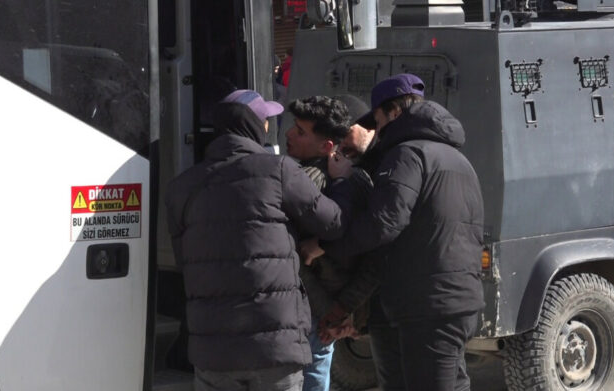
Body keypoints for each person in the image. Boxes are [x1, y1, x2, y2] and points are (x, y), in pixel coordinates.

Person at [303, 74, 485, 391]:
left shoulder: (407, 155)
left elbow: (384, 222)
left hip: (426, 305)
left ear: (394, 113)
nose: (375, 129)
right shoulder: (455, 157)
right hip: (457, 300)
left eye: (376, 120)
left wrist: (324, 246)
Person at [165, 89, 347, 391]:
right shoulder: (277, 169)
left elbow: (184, 261)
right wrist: (340, 180)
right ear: (254, 125)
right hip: (275, 347)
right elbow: (334, 223)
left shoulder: (181, 188)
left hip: (213, 350)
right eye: (266, 121)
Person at [286, 95, 380, 391]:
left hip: (311, 314)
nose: (289, 135)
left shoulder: (304, 184)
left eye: (300, 132)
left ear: (327, 145)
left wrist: (332, 313)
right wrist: (345, 311)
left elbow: (293, 261)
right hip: (330, 314)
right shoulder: (361, 180)